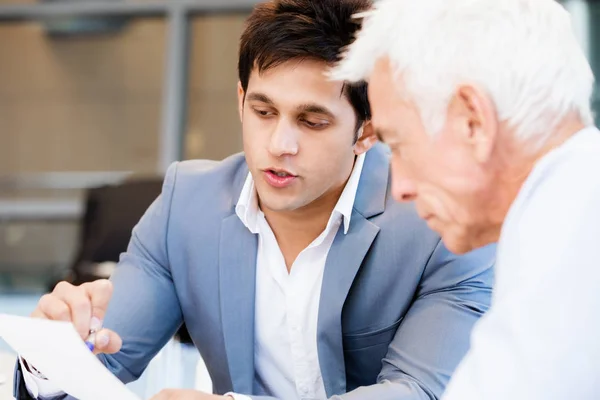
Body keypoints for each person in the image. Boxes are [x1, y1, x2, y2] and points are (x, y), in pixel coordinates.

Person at [14, 1, 495, 399]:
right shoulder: (187, 207)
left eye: (312, 121)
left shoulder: (438, 221)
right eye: (263, 111)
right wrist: (53, 354)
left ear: (366, 129)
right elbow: (104, 359)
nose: (279, 144)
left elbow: (418, 391)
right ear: (241, 98)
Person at [332, 0, 600, 398]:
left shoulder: (570, 239)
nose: (400, 187)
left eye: (399, 146)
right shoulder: (564, 210)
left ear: (473, 122)